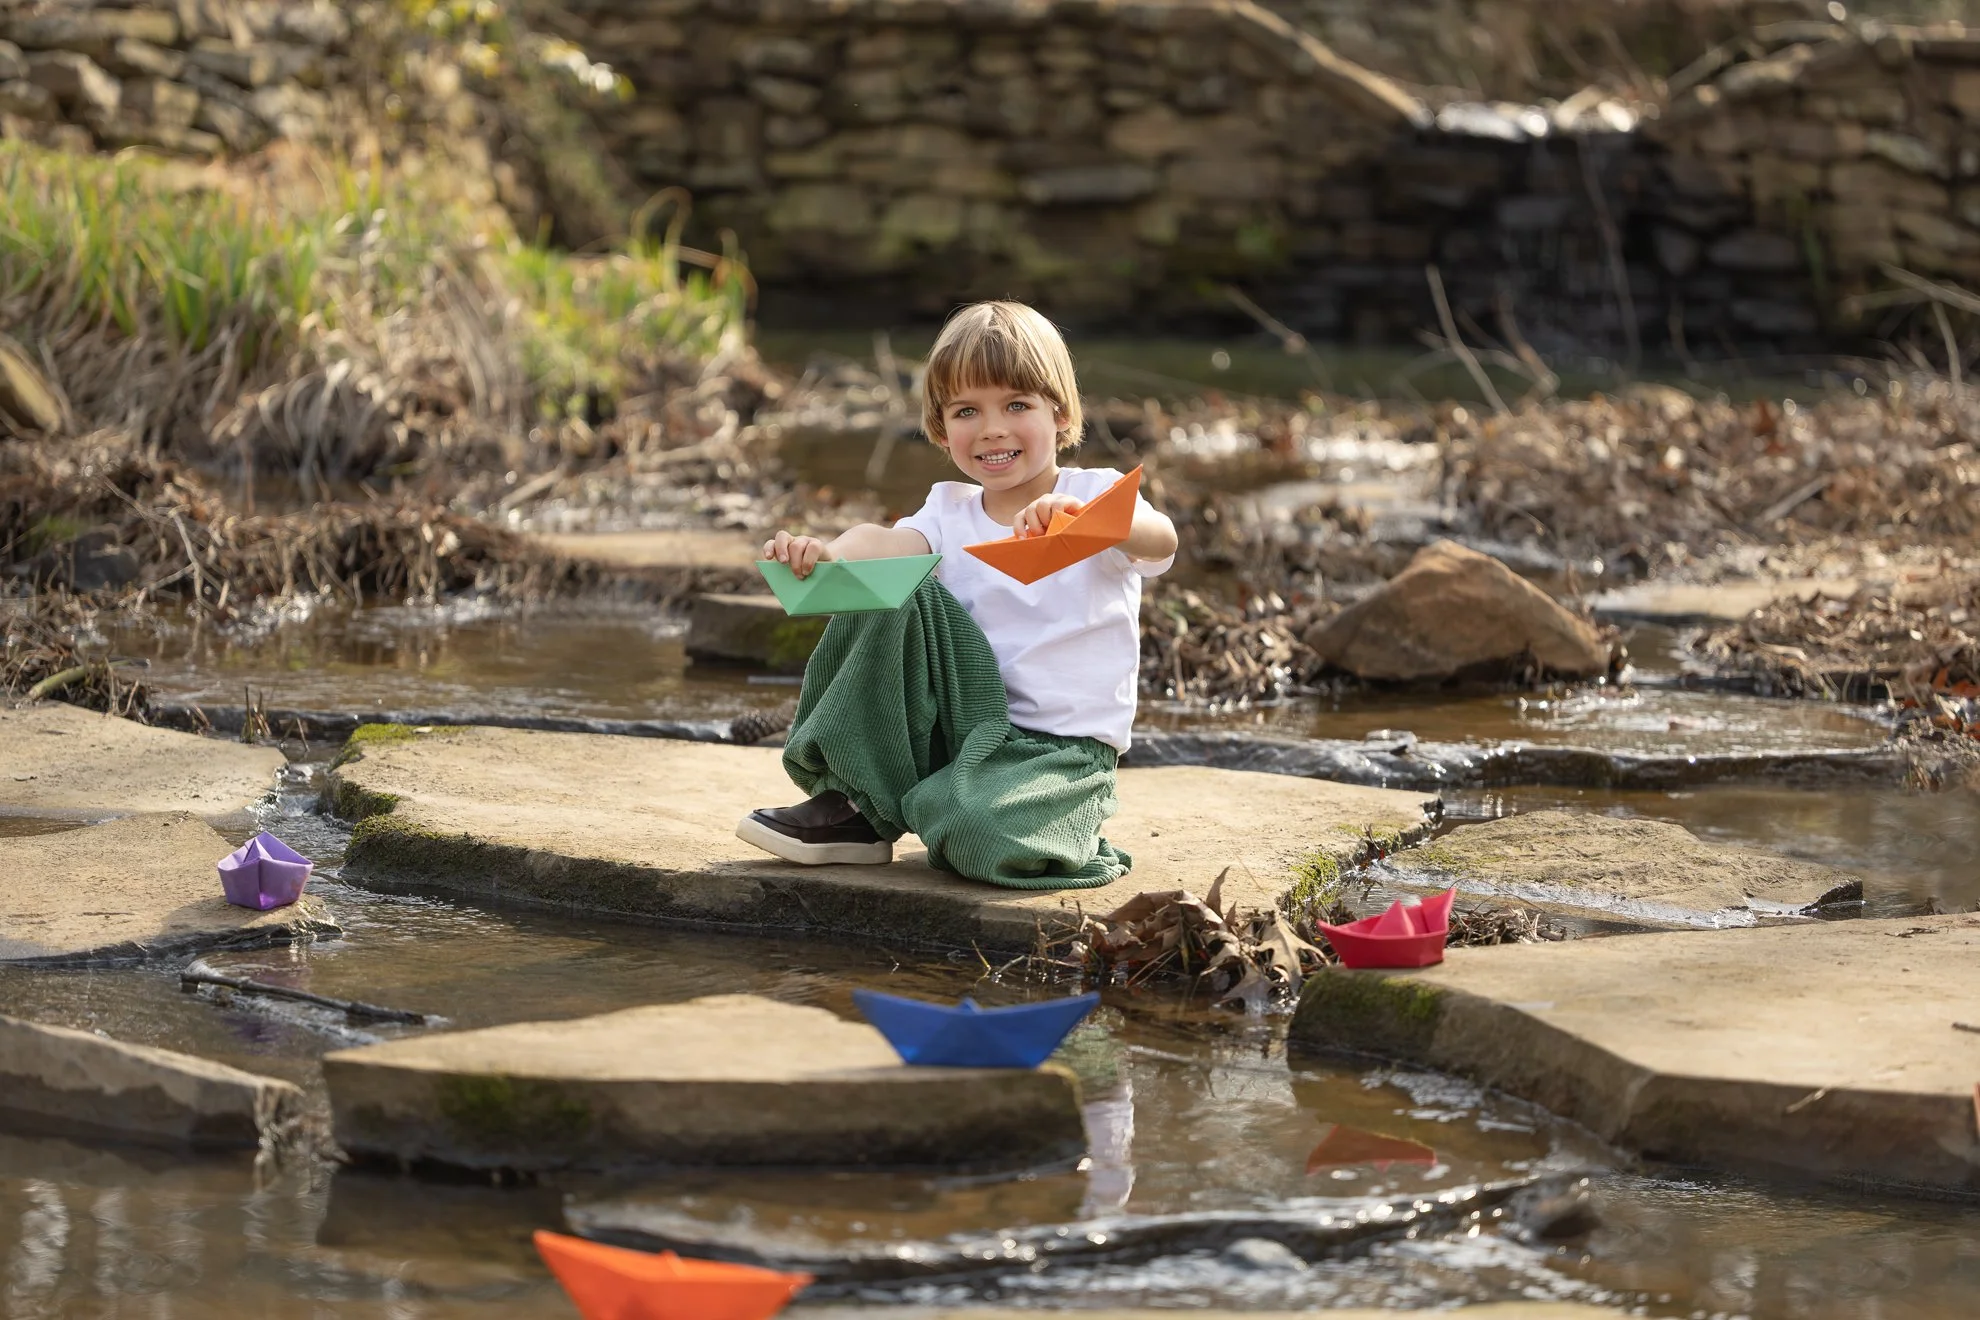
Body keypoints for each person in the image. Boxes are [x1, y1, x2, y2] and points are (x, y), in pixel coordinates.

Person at [738, 300, 1178, 889]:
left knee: (974, 837)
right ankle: (858, 810)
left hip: (1057, 752)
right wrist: (830, 554)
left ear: (1060, 412)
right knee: (889, 585)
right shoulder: (947, 510)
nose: (993, 428)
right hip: (961, 728)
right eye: (968, 411)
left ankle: (1015, 818)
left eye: (1016, 405)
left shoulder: (1093, 495)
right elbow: (887, 542)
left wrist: (1087, 522)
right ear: (943, 430)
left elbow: (1161, 540)